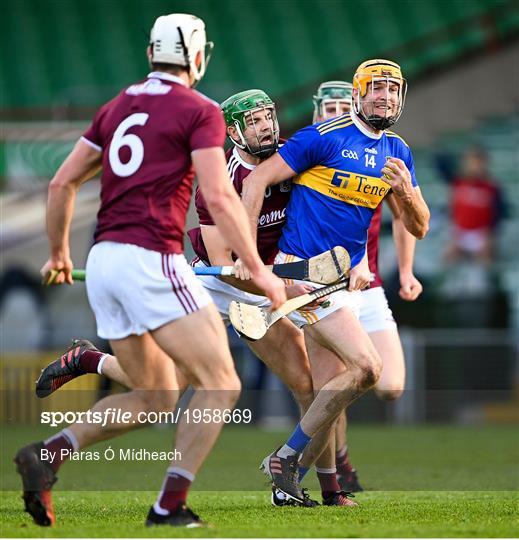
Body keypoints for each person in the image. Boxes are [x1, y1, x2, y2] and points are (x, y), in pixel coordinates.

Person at [15, 14, 285, 529]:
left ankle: (49, 455)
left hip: (104, 261)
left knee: (158, 395)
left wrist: (57, 254)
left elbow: (60, 185)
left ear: (150, 56)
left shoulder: (115, 107)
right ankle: (169, 507)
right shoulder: (199, 110)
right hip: (152, 258)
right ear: (199, 58)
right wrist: (260, 271)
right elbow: (222, 195)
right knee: (222, 383)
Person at [34, 89, 349, 506]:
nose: (265, 127)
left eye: (268, 117)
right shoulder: (217, 184)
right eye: (253, 121)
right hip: (214, 287)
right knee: (161, 393)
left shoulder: (291, 161)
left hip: (268, 282)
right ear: (234, 133)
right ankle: (89, 362)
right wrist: (280, 287)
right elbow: (228, 270)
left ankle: (322, 488)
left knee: (310, 384)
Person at [240, 59, 430, 504]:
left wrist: (406, 192)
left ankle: (319, 488)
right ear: (359, 94)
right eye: (376, 89)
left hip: (340, 282)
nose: (384, 96)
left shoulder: (398, 152)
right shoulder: (323, 138)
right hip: (300, 276)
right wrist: (250, 257)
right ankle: (286, 458)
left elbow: (418, 226)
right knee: (367, 368)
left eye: (392, 90)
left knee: (327, 395)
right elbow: (256, 181)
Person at [312, 81, 424, 492]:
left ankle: (331, 447)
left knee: (390, 386)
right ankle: (339, 463)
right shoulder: (311, 153)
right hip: (322, 288)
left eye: (345, 106)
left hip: (370, 286)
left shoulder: (381, 152)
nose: (337, 114)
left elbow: (406, 213)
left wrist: (406, 270)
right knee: (338, 374)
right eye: (331, 107)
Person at [444, 146, 505, 265]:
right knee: (447, 256)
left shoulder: (492, 187)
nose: (474, 167)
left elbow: (499, 214)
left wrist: (490, 234)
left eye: (477, 163)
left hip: (482, 233)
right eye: (470, 162)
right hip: (460, 232)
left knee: (485, 259)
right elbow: (454, 209)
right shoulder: (458, 183)